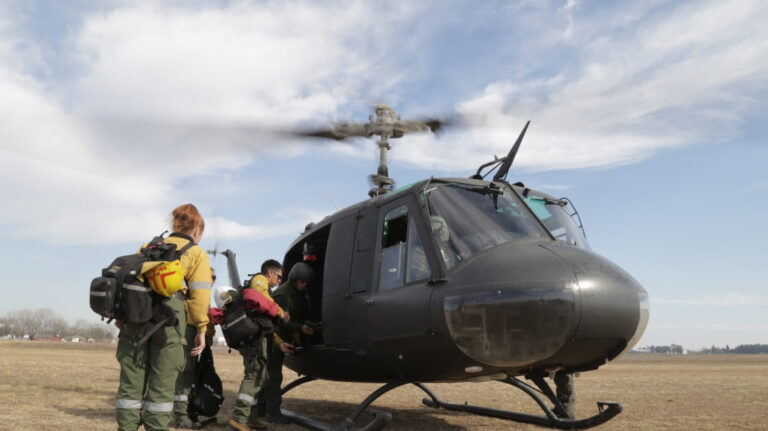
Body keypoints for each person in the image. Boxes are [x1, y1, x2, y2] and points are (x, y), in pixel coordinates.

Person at [116, 203, 213, 431]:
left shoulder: (148, 246)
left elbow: (130, 280)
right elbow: (199, 297)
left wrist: (123, 315)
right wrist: (201, 329)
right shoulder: (196, 252)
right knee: (162, 385)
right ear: (197, 230)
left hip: (137, 315)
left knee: (130, 383)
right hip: (170, 319)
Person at [227, 260, 292, 431]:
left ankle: (251, 418)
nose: (279, 281)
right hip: (255, 341)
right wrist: (281, 312)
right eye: (279, 277)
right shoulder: (260, 281)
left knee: (258, 378)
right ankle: (238, 419)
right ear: (270, 273)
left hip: (259, 337)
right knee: (253, 376)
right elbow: (262, 302)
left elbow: (265, 323)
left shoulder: (265, 292)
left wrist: (279, 343)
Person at [258, 262, 315, 424]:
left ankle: (261, 409)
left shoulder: (298, 293)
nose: (304, 285)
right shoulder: (282, 295)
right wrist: (300, 328)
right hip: (273, 339)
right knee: (274, 378)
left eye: (306, 283)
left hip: (279, 339)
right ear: (295, 279)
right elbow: (280, 321)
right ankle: (272, 414)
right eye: (302, 282)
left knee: (268, 377)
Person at [172, 267, 217, 429]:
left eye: (215, 277)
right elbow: (199, 316)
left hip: (196, 335)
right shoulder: (194, 294)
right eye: (212, 277)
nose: (214, 280)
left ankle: (185, 412)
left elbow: (205, 317)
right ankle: (180, 415)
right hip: (189, 334)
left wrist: (209, 333)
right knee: (185, 375)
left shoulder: (202, 296)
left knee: (190, 376)